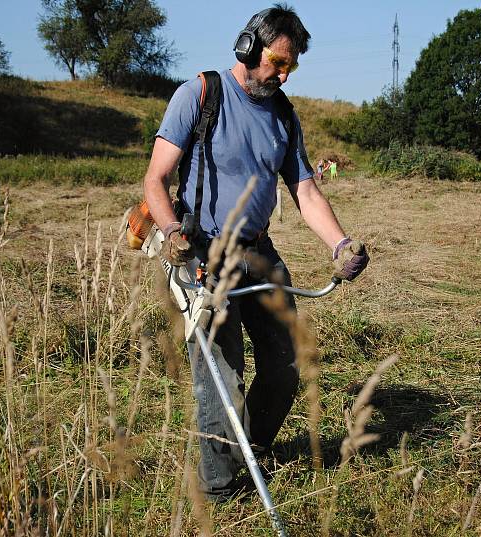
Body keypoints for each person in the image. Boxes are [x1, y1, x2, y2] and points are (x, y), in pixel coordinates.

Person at [142, 3, 369, 502]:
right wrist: (175, 233)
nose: (282, 75)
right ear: (247, 47)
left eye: (291, 67)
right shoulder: (200, 94)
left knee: (288, 363)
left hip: (259, 253)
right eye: (276, 62)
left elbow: (305, 192)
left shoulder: (284, 115)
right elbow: (155, 179)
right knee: (222, 378)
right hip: (202, 253)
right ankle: (220, 491)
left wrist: (340, 243)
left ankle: (253, 452)